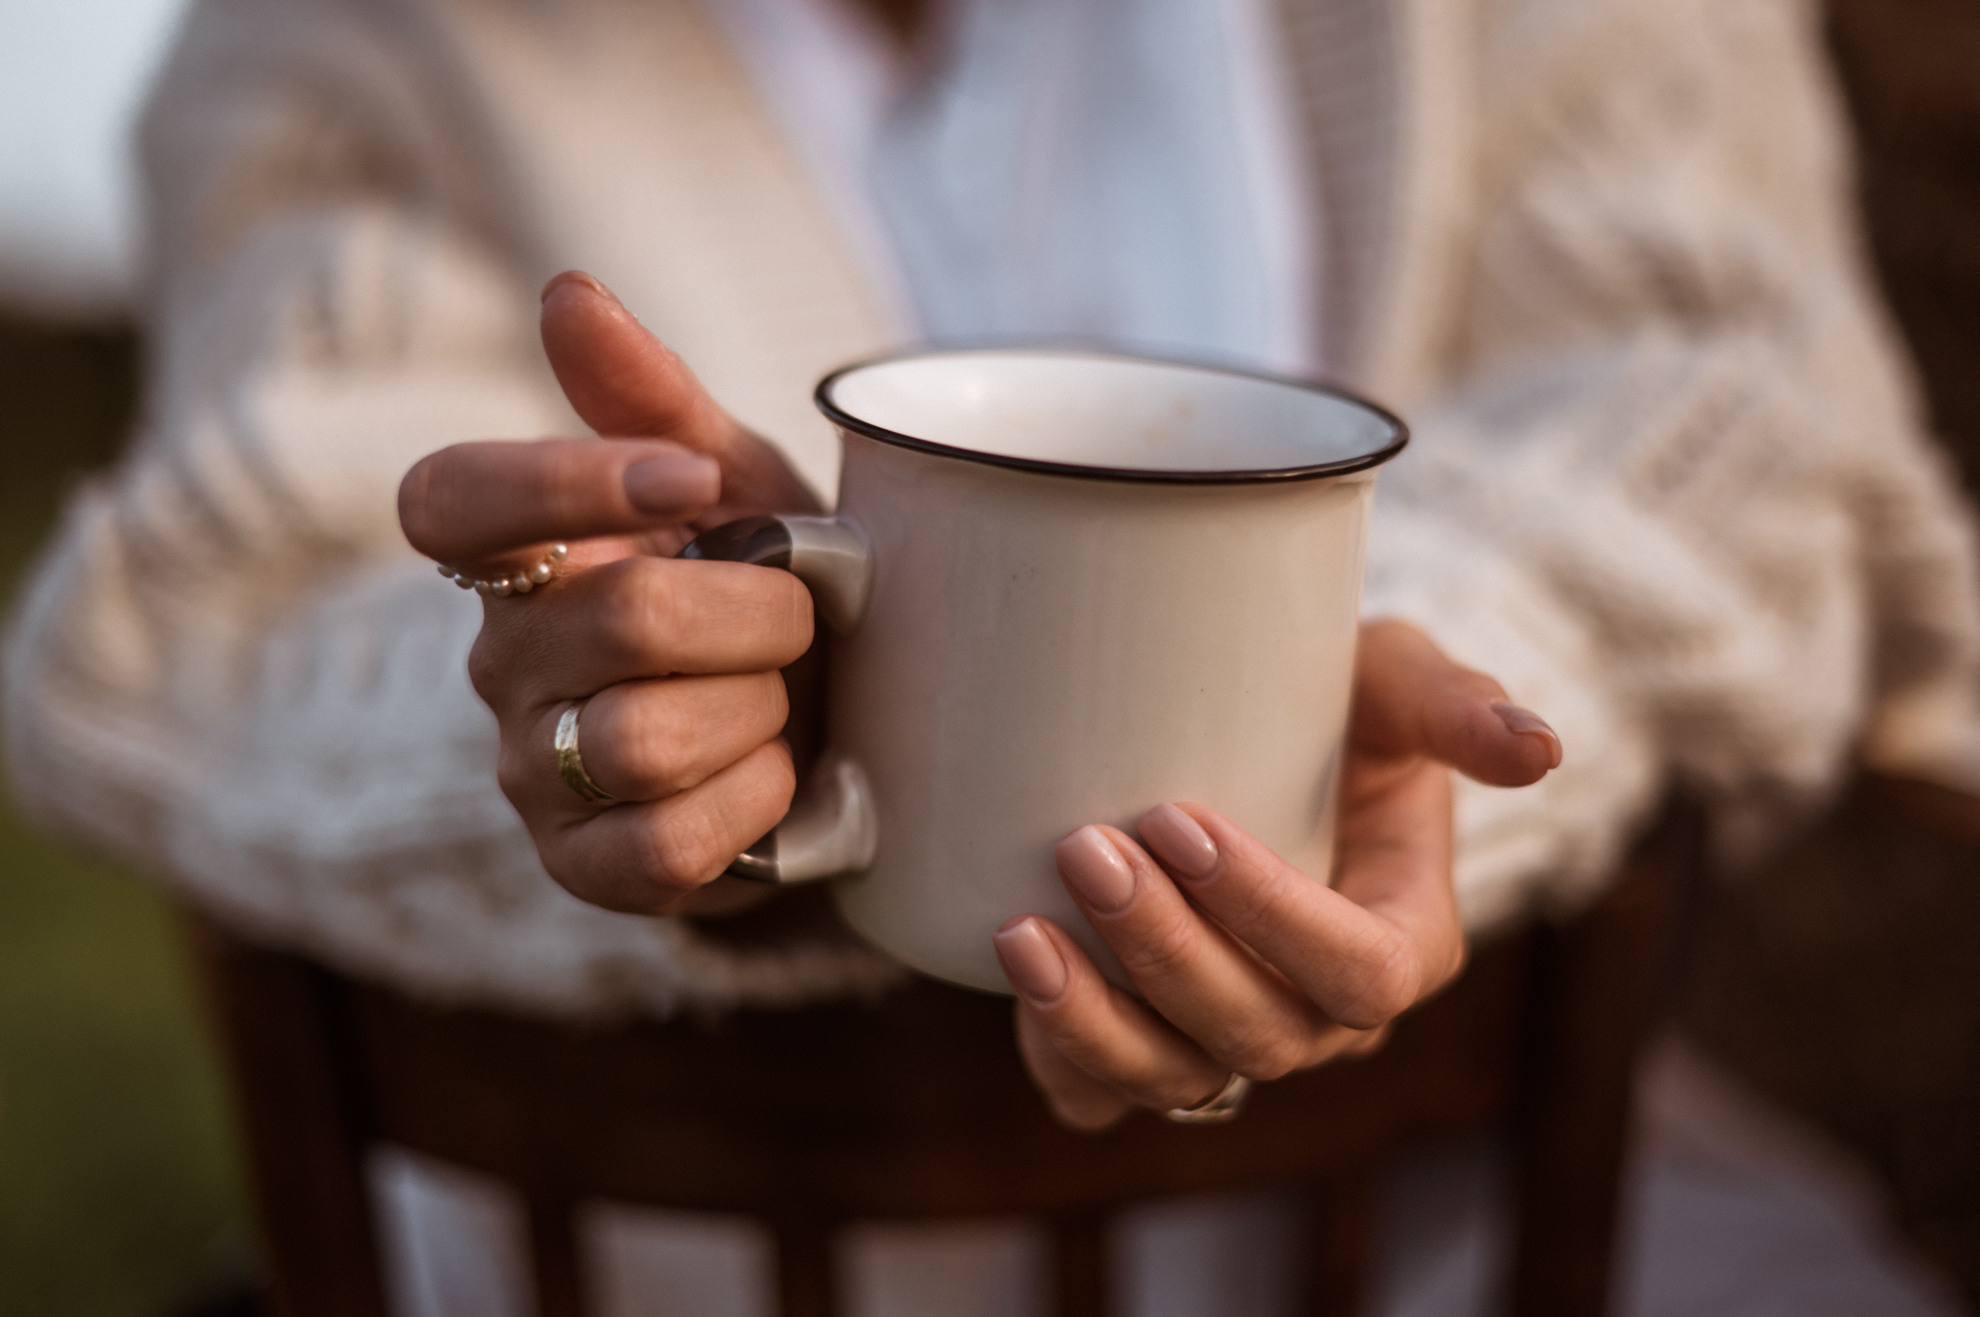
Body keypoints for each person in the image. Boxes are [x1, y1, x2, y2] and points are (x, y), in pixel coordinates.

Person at [6, 0, 1978, 1309]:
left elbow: (1735, 420)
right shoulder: (349, 39)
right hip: (640, 1240)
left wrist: (1390, 678)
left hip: (1470, 1219)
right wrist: (599, 699)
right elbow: (248, 588)